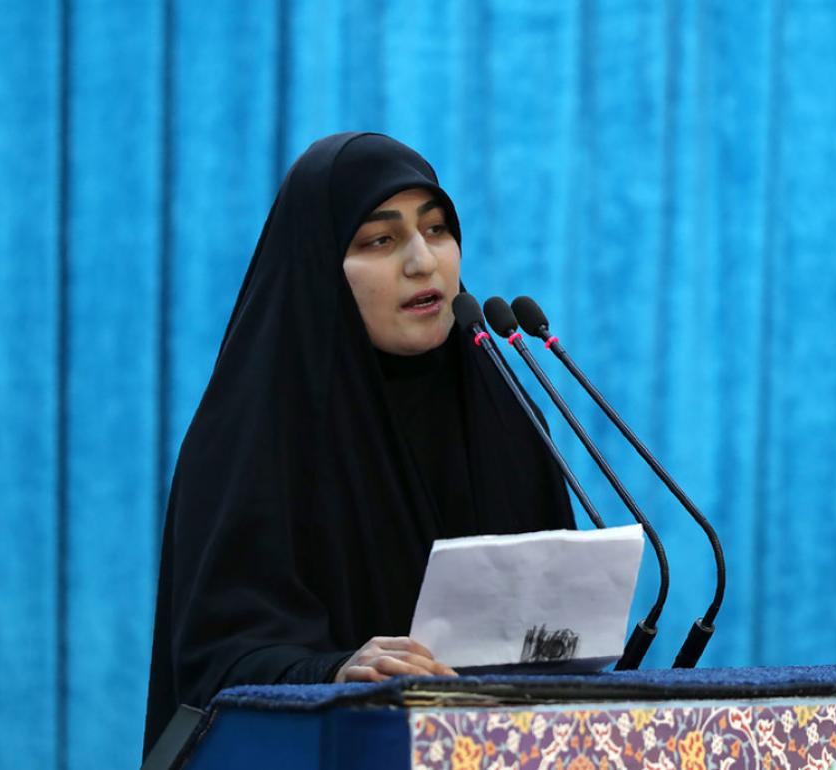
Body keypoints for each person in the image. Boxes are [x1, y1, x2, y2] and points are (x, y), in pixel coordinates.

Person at [142, 132, 574, 755]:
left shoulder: (504, 415)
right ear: (319, 266)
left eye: (437, 231)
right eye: (380, 240)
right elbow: (216, 666)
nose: (423, 262)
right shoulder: (250, 436)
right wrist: (336, 672)